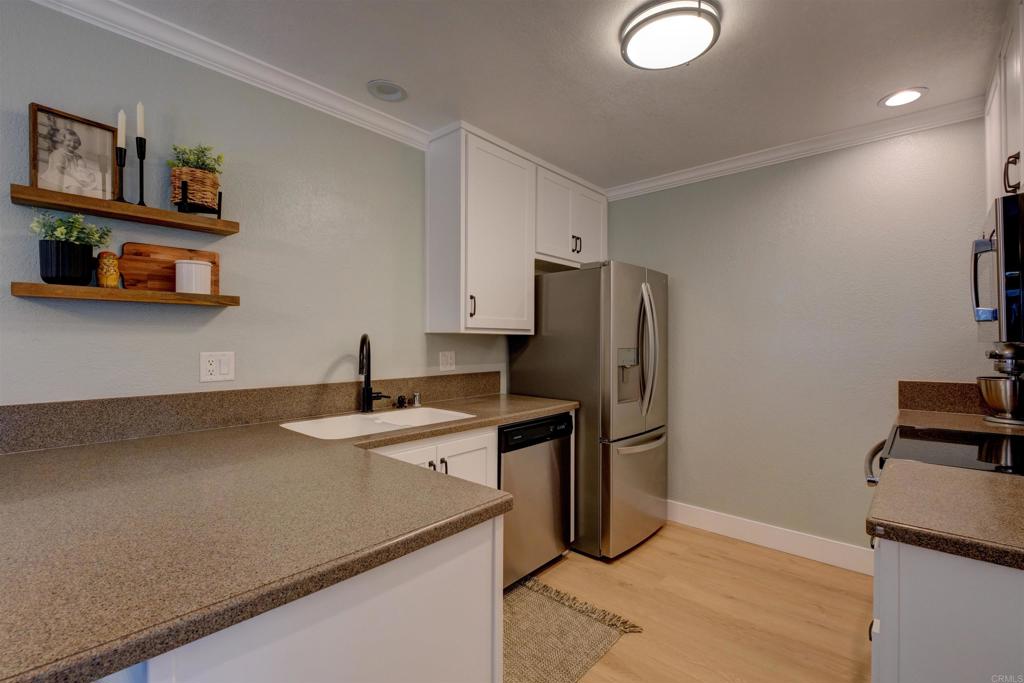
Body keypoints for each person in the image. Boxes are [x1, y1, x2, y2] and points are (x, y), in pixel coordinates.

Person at [39, 127, 97, 194]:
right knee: (75, 185)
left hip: (74, 174)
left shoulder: (77, 156)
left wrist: (88, 175)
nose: (72, 144)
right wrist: (77, 179)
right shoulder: (58, 153)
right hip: (61, 174)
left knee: (90, 181)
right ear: (62, 141)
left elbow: (82, 168)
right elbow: (60, 169)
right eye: (69, 141)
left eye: (75, 142)